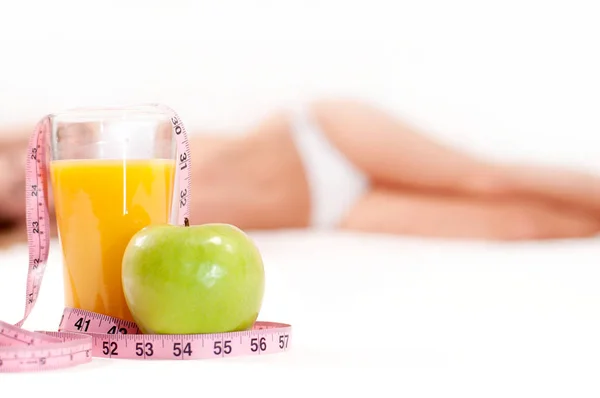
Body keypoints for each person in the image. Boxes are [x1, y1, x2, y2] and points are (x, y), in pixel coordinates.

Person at [1, 98, 600, 244]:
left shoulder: (74, 140)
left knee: (487, 181)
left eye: (10, 173)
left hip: (322, 142)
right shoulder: (77, 238)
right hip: (328, 213)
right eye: (10, 198)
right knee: (520, 226)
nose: (21, 187)